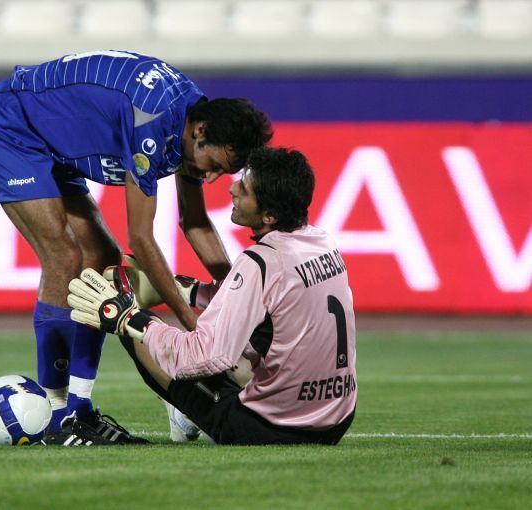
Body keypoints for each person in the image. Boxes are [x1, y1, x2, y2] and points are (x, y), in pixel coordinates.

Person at [0, 50, 272, 443]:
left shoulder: (191, 121)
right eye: (213, 165)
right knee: (64, 255)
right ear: (200, 131)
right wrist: (194, 325)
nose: (210, 178)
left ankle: (79, 408)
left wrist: (236, 296)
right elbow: (140, 238)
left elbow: (194, 222)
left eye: (222, 173)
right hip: (9, 126)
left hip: (52, 141)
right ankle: (57, 412)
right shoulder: (154, 121)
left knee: (104, 262)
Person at [66, 147, 357, 445]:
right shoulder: (323, 242)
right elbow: (264, 301)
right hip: (337, 419)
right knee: (254, 341)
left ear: (269, 215)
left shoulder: (260, 260)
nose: (232, 189)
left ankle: (184, 414)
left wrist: (129, 318)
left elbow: (205, 356)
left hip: (274, 428)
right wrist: (187, 291)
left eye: (244, 189)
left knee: (140, 330)